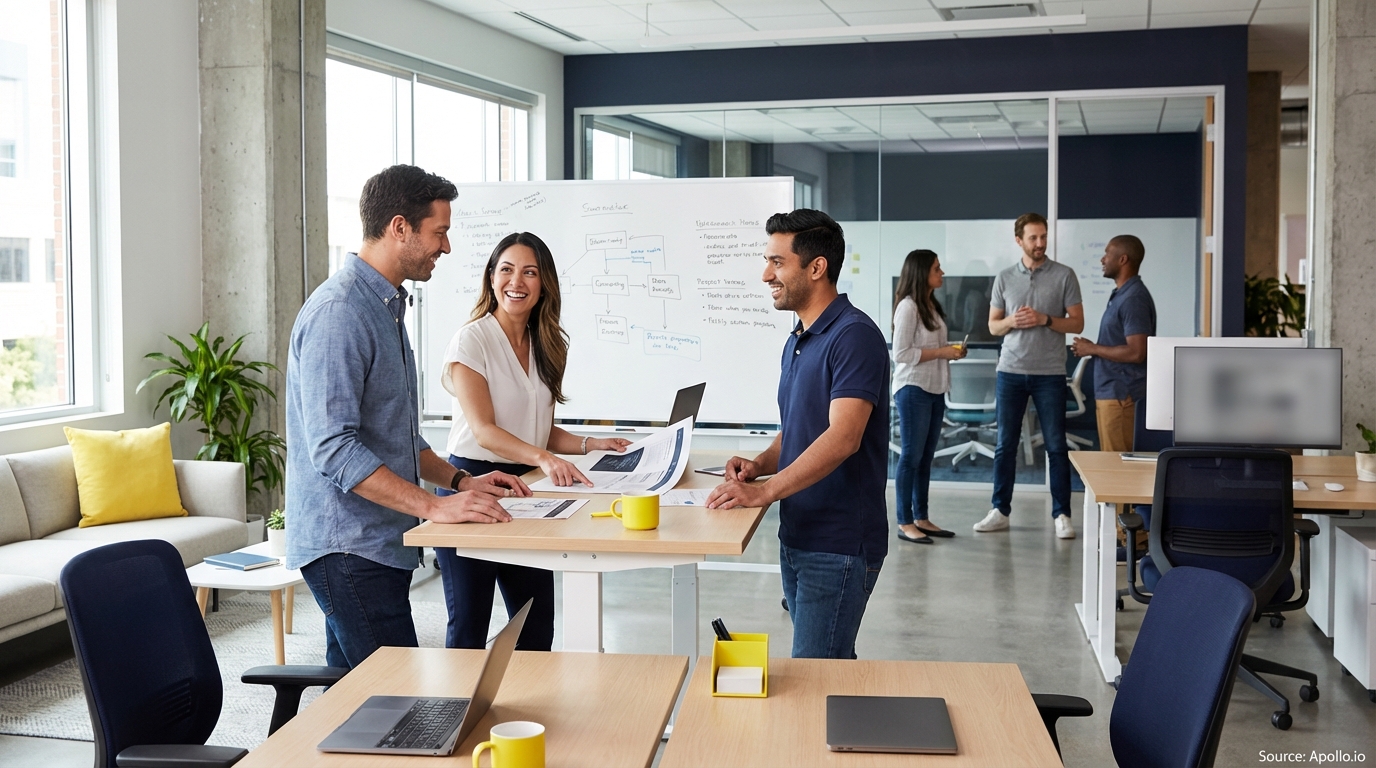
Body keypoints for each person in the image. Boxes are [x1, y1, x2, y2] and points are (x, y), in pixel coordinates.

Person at [285, 164, 530, 671]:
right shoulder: (340, 313)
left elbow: (397, 436)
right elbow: (334, 449)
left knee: (354, 705)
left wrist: (462, 480)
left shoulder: (385, 308)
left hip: (378, 542)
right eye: (438, 232)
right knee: (402, 701)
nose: (446, 247)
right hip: (348, 546)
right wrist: (433, 508)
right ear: (400, 228)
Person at [706, 209, 890, 660]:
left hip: (840, 542)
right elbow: (799, 429)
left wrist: (765, 491)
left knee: (816, 674)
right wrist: (760, 464)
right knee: (826, 669)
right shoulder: (800, 337)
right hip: (799, 532)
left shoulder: (854, 336)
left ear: (816, 266)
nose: (766, 273)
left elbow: (843, 437)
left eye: (777, 262)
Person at [436, 231, 630, 651]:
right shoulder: (472, 340)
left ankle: (526, 709)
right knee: (470, 622)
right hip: (472, 483)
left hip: (525, 489)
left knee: (536, 619)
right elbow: (486, 431)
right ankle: (458, 715)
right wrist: (544, 457)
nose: (516, 282)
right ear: (491, 279)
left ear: (544, 286)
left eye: (529, 272)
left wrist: (587, 444)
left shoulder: (546, 343)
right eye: (506, 270)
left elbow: (535, 428)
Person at [974, 212, 1084, 540]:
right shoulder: (1005, 277)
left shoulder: (1065, 275)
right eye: (1033, 238)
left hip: (1049, 372)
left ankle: (1062, 514)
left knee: (1055, 446)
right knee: (1005, 445)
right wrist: (1013, 322)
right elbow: (993, 326)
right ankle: (1000, 510)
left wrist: (1045, 320)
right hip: (1010, 371)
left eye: (1043, 237)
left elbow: (1076, 324)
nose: (1040, 243)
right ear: (1019, 240)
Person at [891, 249, 966, 544]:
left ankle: (921, 517)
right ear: (923, 272)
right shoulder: (908, 307)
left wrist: (952, 351)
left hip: (935, 388)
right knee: (911, 456)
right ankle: (904, 521)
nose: (942, 272)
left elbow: (931, 345)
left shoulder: (930, 305)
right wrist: (942, 352)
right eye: (937, 268)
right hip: (913, 389)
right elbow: (901, 354)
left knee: (925, 458)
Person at [1071, 235, 1156, 452]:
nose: (1102, 259)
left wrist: (1093, 348)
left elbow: (1137, 352)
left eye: (1107, 253)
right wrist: (1095, 348)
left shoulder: (1133, 299)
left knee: (1119, 468)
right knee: (1113, 463)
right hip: (1112, 393)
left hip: (1121, 395)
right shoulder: (1122, 294)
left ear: (1123, 259)